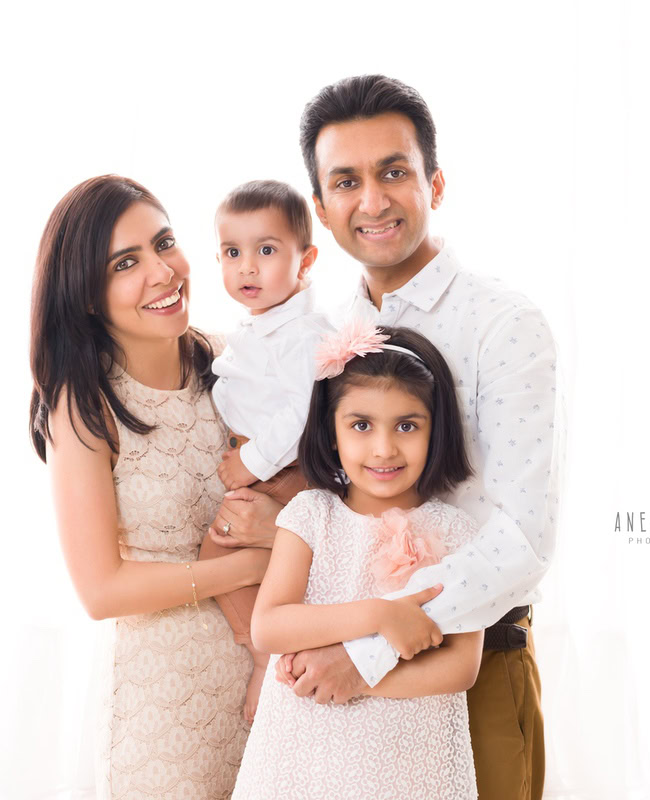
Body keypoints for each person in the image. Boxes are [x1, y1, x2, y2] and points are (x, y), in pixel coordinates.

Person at [272, 75, 563, 800]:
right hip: (333, 703)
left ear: (434, 182)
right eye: (347, 181)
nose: (372, 201)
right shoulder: (326, 337)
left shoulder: (504, 323)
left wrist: (368, 653)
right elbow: (320, 493)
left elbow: (523, 539)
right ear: (321, 208)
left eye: (394, 172)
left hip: (472, 669)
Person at [28, 175, 273, 799]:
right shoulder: (83, 407)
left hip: (278, 690)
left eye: (164, 244)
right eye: (126, 263)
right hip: (166, 715)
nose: (162, 271)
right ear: (86, 295)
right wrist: (245, 566)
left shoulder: (238, 363)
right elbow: (101, 589)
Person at [231, 322, 482, 799]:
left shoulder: (455, 533)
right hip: (307, 754)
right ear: (331, 433)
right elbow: (270, 626)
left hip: (410, 762)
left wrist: (361, 679)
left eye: (407, 425)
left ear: (437, 430)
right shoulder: (311, 515)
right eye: (361, 425)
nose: (384, 448)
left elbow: (461, 667)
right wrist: (379, 613)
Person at [197, 179, 335, 724]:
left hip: (287, 471)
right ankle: (269, 648)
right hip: (262, 467)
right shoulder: (259, 327)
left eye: (266, 251)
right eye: (233, 253)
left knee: (225, 556)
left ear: (307, 260)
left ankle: (267, 658)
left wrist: (250, 462)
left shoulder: (304, 333)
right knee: (239, 564)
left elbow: (303, 413)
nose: (247, 268)